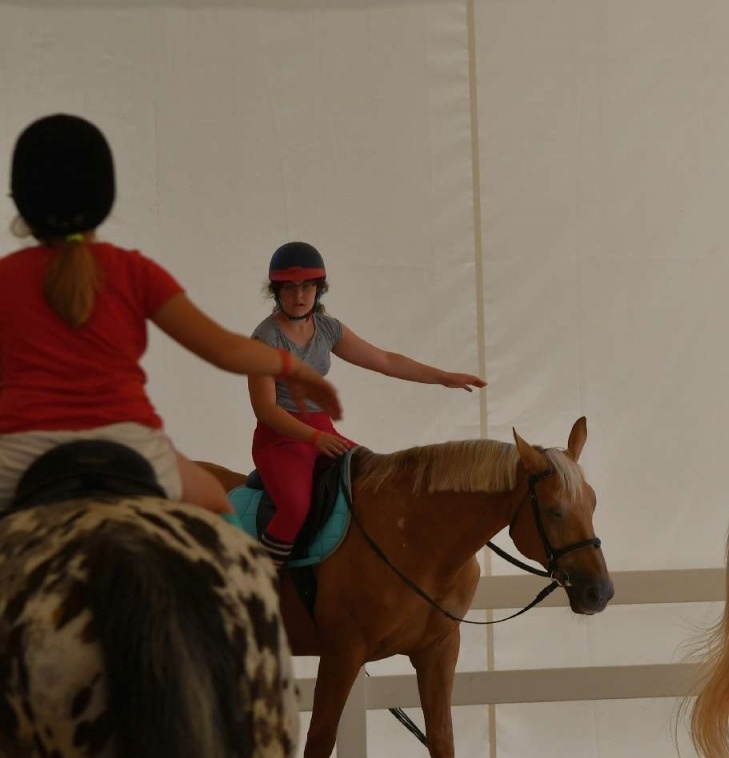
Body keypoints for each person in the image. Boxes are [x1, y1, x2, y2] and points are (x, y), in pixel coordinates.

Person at [0, 114, 341, 514]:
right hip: (133, 445)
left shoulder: (5, 277)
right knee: (221, 512)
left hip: (18, 451)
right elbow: (227, 351)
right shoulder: (134, 272)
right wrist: (295, 368)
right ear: (104, 198)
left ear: (21, 198)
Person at [247, 240, 486, 565]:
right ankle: (257, 584)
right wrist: (314, 438)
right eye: (289, 288)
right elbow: (266, 409)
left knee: (374, 483)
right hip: (281, 439)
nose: (299, 296)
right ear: (276, 292)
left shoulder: (327, 328)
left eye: (307, 287)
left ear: (320, 289)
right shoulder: (265, 340)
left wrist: (443, 377)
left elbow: (385, 360)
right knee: (295, 508)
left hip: (322, 431)